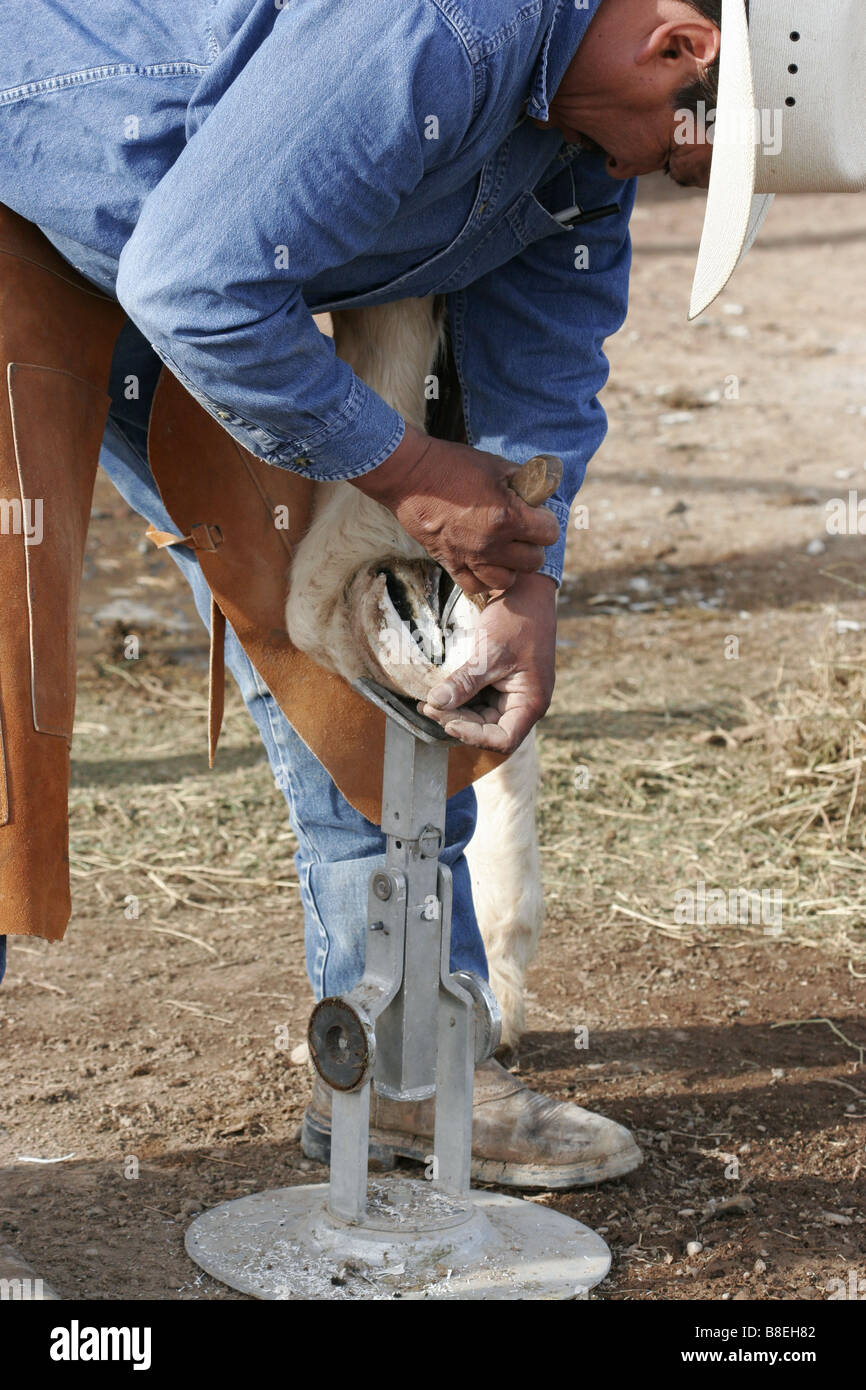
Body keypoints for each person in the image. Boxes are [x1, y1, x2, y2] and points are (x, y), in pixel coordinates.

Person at [0, 0, 728, 1187]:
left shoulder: (586, 138)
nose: (663, 178)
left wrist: (517, 574)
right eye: (687, 155)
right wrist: (410, 472)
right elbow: (197, 283)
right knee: (1, 692)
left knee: (366, 632)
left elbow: (541, 364)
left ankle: (406, 1067)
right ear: (679, 48)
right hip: (69, 210)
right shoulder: (448, 28)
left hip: (204, 267)